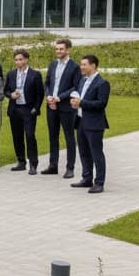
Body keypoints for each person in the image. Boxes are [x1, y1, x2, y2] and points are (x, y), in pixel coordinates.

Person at [70, 54, 111, 193]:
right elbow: (80, 98)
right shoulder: (82, 80)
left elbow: (101, 104)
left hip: (94, 124)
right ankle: (86, 178)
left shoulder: (102, 83)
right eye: (81, 64)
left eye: (84, 65)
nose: (81, 67)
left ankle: (99, 183)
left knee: (96, 153)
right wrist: (75, 103)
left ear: (93, 66)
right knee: (83, 152)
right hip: (81, 121)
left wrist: (81, 103)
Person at [42, 38, 81, 179]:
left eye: (61, 49)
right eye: (57, 49)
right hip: (51, 106)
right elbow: (47, 83)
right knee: (53, 136)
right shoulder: (53, 64)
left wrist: (59, 98)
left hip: (66, 107)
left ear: (68, 50)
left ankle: (70, 168)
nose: (58, 51)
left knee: (69, 138)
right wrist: (48, 96)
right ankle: (53, 165)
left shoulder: (74, 67)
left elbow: (75, 86)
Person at [4, 49, 44, 175]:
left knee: (30, 136)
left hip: (28, 109)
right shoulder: (11, 74)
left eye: (20, 59)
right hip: (15, 109)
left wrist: (36, 108)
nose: (18, 62)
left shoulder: (35, 74)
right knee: (17, 136)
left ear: (26, 59)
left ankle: (33, 164)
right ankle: (21, 161)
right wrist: (11, 95)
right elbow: (5, 91)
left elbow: (40, 94)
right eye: (16, 60)